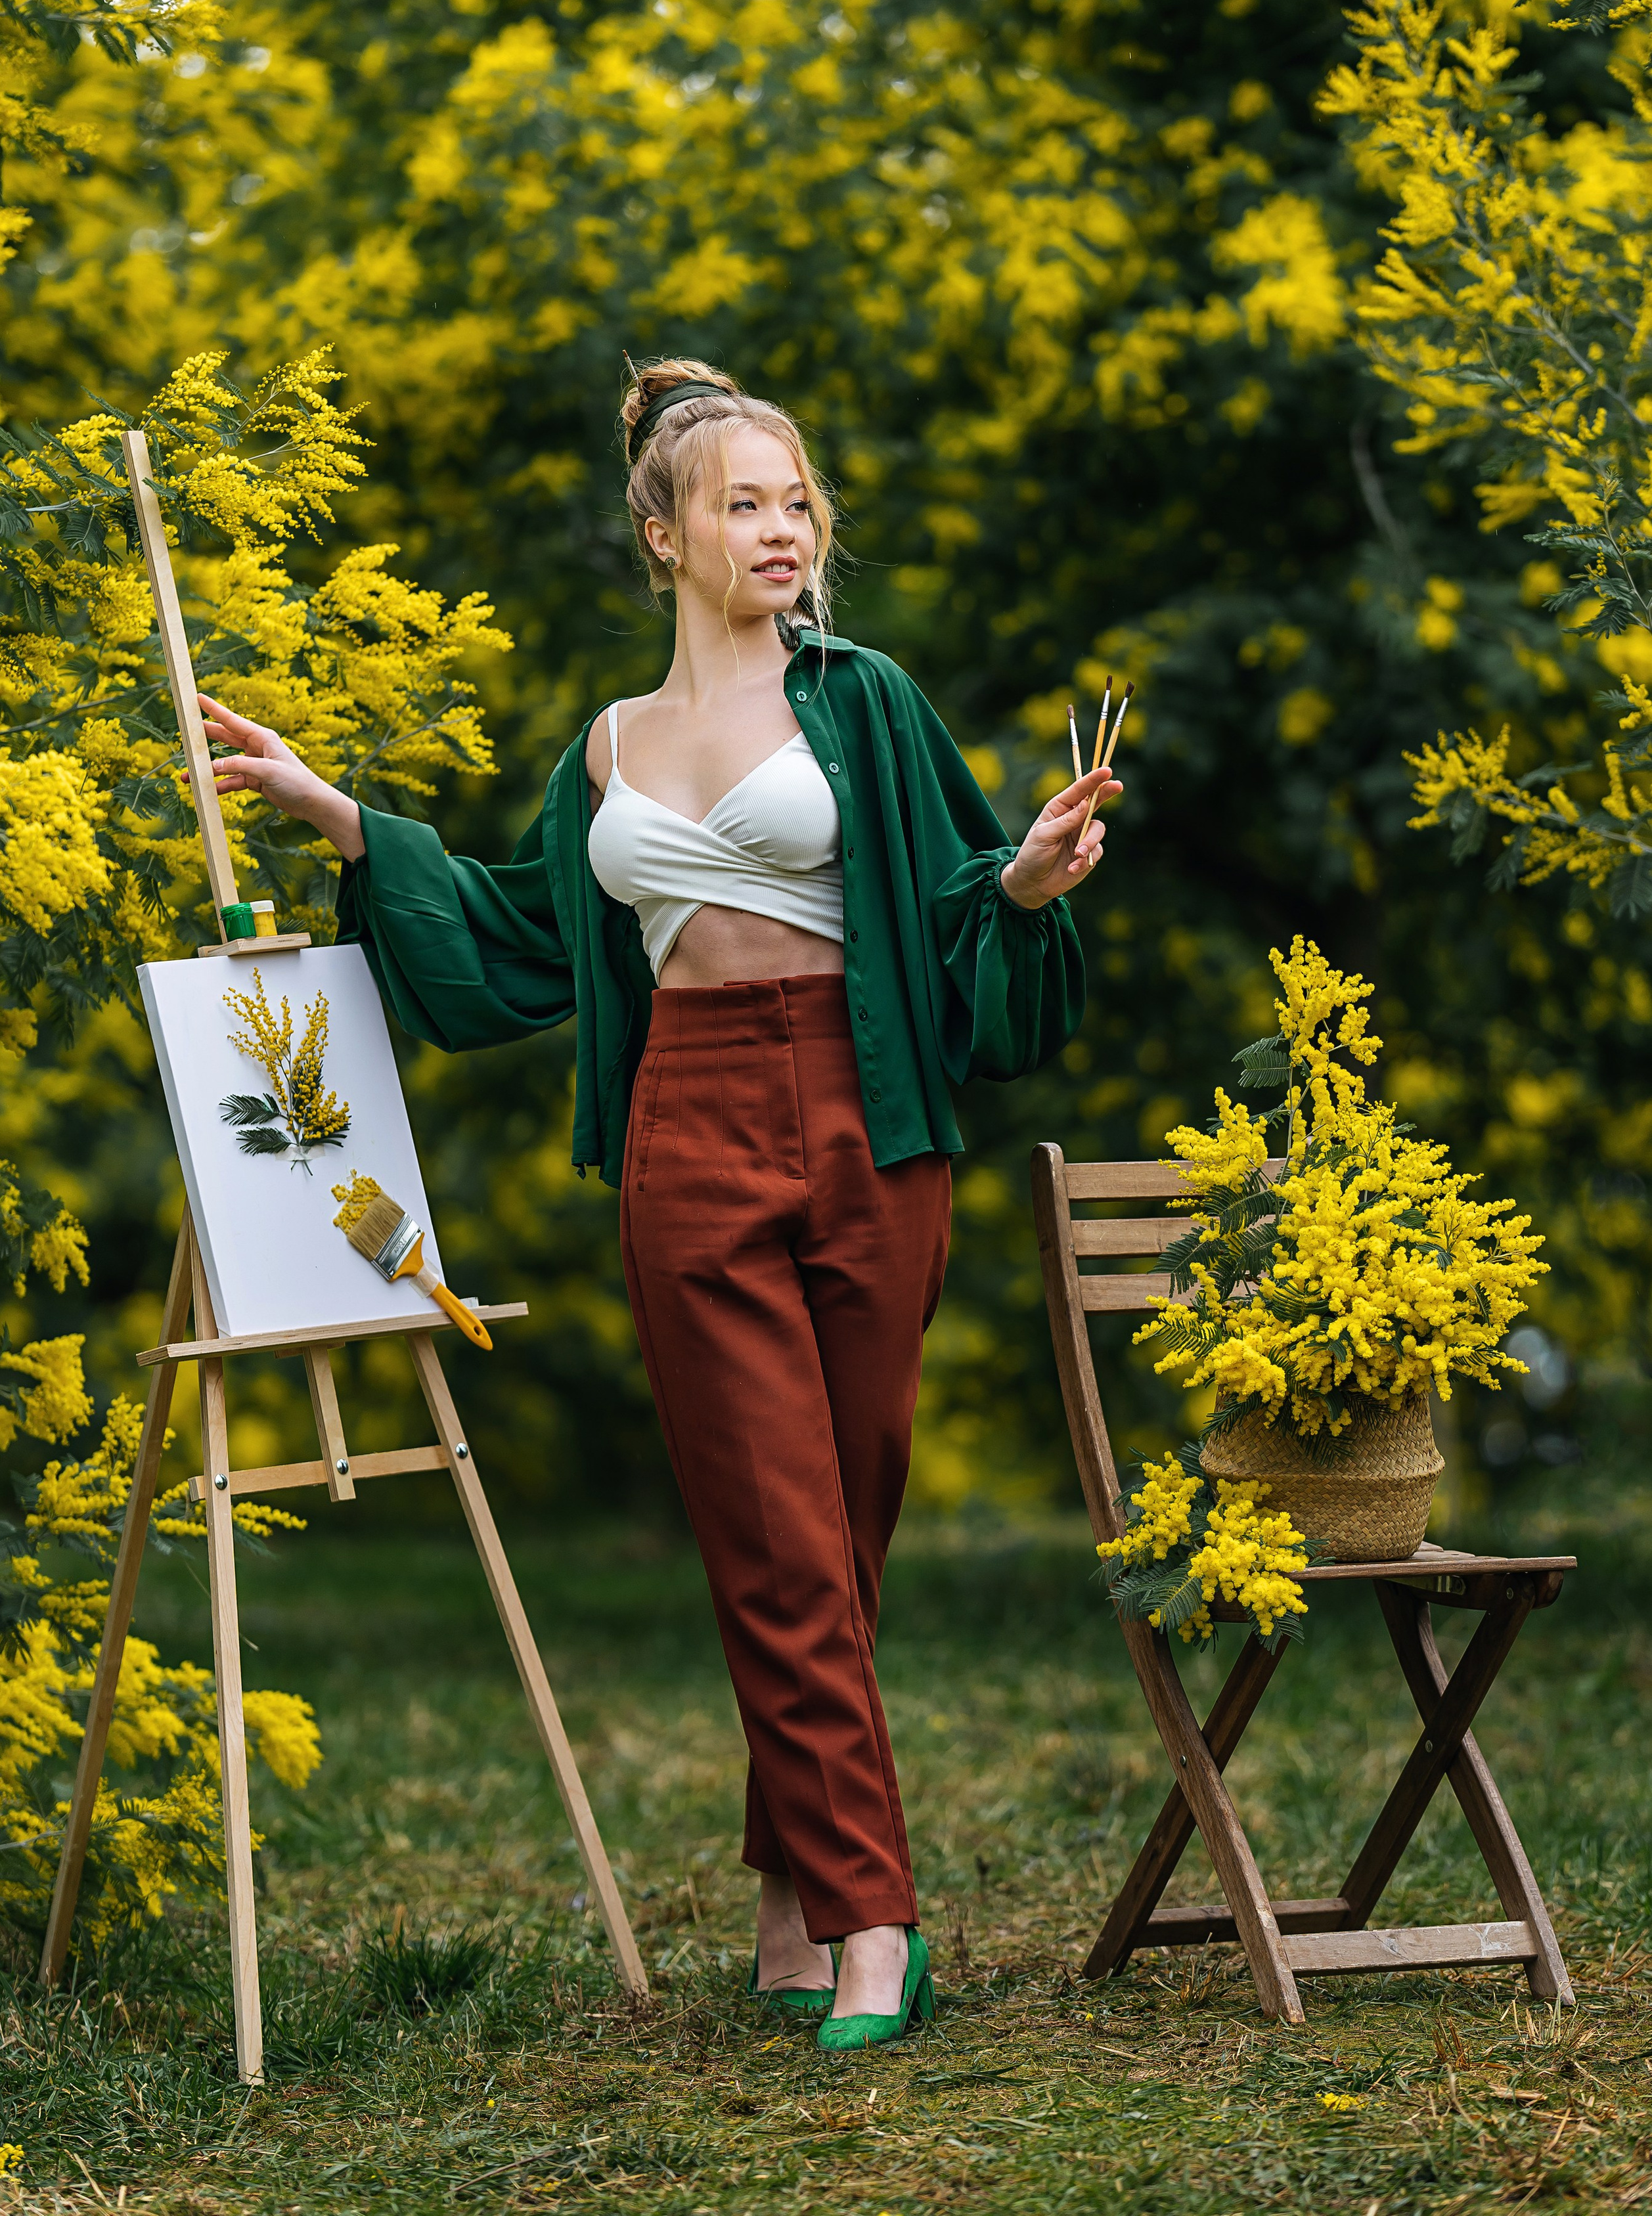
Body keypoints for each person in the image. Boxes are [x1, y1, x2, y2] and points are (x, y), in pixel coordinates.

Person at [195, 359, 1120, 2051]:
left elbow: (964, 914)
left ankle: (789, 1883)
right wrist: (336, 813)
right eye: (742, 503)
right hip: (686, 1130)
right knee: (773, 1532)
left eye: (796, 502)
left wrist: (1032, 882)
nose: (780, 529)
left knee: (845, 1524)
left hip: (868, 1123)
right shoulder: (606, 750)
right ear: (662, 532)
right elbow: (526, 942)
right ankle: (871, 1923)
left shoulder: (867, 703)